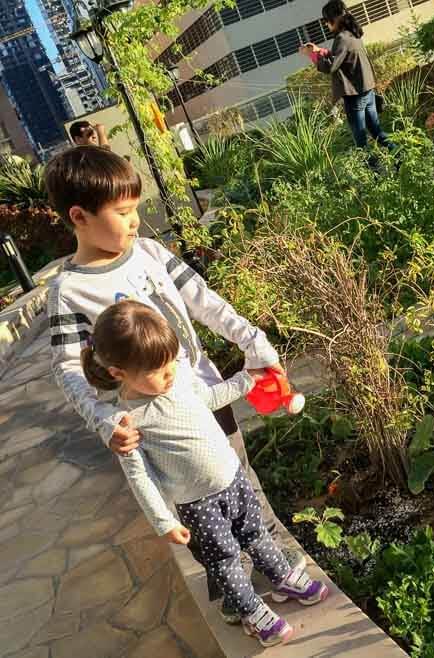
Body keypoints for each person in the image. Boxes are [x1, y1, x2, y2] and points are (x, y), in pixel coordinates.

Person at [44, 145, 305, 624]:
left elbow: (207, 302)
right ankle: (235, 595)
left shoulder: (149, 253)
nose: (135, 222)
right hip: (154, 427)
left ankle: (271, 569)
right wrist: (104, 421)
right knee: (203, 512)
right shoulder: (69, 291)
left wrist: (255, 344)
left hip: (202, 393)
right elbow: (66, 368)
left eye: (135, 209)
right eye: (123, 213)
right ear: (79, 216)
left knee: (238, 481)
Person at [81, 300, 328, 647]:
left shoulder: (177, 380)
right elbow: (140, 477)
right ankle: (250, 610)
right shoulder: (127, 422)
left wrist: (246, 381)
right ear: (120, 373)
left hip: (233, 478)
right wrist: (163, 521)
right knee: (226, 559)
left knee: (256, 532)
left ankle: (280, 576)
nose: (170, 375)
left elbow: (209, 397)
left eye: (170, 364)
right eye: (159, 370)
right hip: (199, 505)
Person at [300, 0, 395, 157]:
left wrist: (311, 54)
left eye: (326, 20)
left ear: (333, 19)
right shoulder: (352, 34)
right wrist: (319, 50)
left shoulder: (342, 38)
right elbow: (341, 57)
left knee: (361, 143)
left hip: (355, 96)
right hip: (367, 91)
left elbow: (330, 66)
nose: (325, 24)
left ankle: (376, 175)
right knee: (377, 133)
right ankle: (401, 158)